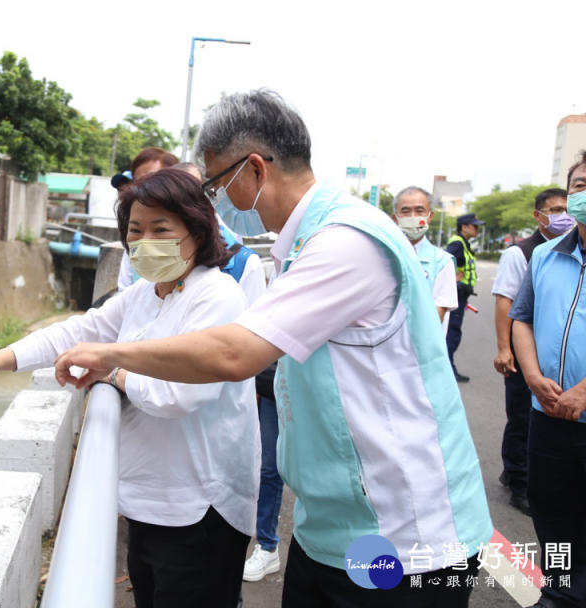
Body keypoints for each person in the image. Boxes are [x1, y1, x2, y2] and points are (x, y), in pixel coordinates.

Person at [53, 89, 492, 608]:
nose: (214, 204)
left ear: (254, 170)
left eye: (216, 185)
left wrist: (110, 356)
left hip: (402, 531)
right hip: (331, 526)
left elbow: (235, 354)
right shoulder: (302, 244)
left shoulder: (346, 241)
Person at [0, 168, 260, 608]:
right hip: (146, 502)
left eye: (161, 229)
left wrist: (112, 371)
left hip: (200, 507)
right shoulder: (147, 292)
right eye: (136, 230)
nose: (145, 242)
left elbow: (179, 394)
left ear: (197, 231)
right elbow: (78, 331)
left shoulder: (217, 296)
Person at [175, 161, 283, 582]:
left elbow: (247, 347)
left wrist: (119, 371)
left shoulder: (240, 263)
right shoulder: (156, 260)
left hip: (236, 394)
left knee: (265, 467)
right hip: (179, 423)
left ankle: (266, 542)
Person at [509, 153, 586, 608]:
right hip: (549, 414)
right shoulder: (543, 254)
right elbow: (523, 319)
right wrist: (533, 376)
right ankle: (560, 592)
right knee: (553, 508)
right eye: (580, 183)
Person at [491, 187, 569, 517]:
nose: (562, 216)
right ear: (538, 216)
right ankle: (520, 483)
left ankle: (514, 471)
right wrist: (504, 348)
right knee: (522, 417)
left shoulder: (567, 251)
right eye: (555, 210)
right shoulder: (521, 253)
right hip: (526, 354)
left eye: (566, 208)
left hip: (553, 355)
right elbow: (505, 302)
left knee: (540, 416)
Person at [391, 186, 458, 334]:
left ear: (430, 216)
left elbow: (437, 314)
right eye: (405, 211)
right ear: (395, 218)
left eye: (419, 211)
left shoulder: (442, 262)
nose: (413, 216)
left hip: (422, 350)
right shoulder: (384, 255)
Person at [116, 148, 181, 292]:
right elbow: (122, 297)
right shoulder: (134, 246)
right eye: (138, 183)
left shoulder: (210, 289)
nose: (145, 190)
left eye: (161, 230)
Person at [445, 212, 484, 382]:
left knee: (453, 332)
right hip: (456, 295)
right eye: (474, 226)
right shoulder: (457, 243)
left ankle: (447, 368)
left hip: (461, 294)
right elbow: (446, 265)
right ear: (464, 227)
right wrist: (455, 283)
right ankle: (447, 370)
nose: (477, 229)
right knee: (452, 333)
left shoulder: (464, 243)